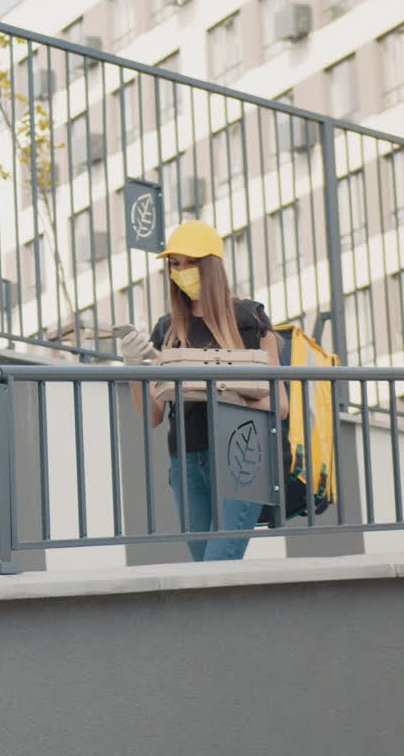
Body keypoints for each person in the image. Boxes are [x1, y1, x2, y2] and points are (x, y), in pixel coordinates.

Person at [121, 220, 288, 562]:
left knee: (218, 564)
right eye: (175, 264)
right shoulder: (167, 329)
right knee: (203, 572)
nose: (182, 271)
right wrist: (133, 367)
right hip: (185, 457)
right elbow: (153, 415)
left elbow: (280, 404)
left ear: (212, 265)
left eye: (192, 262)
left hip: (240, 454)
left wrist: (226, 392)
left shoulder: (249, 319)